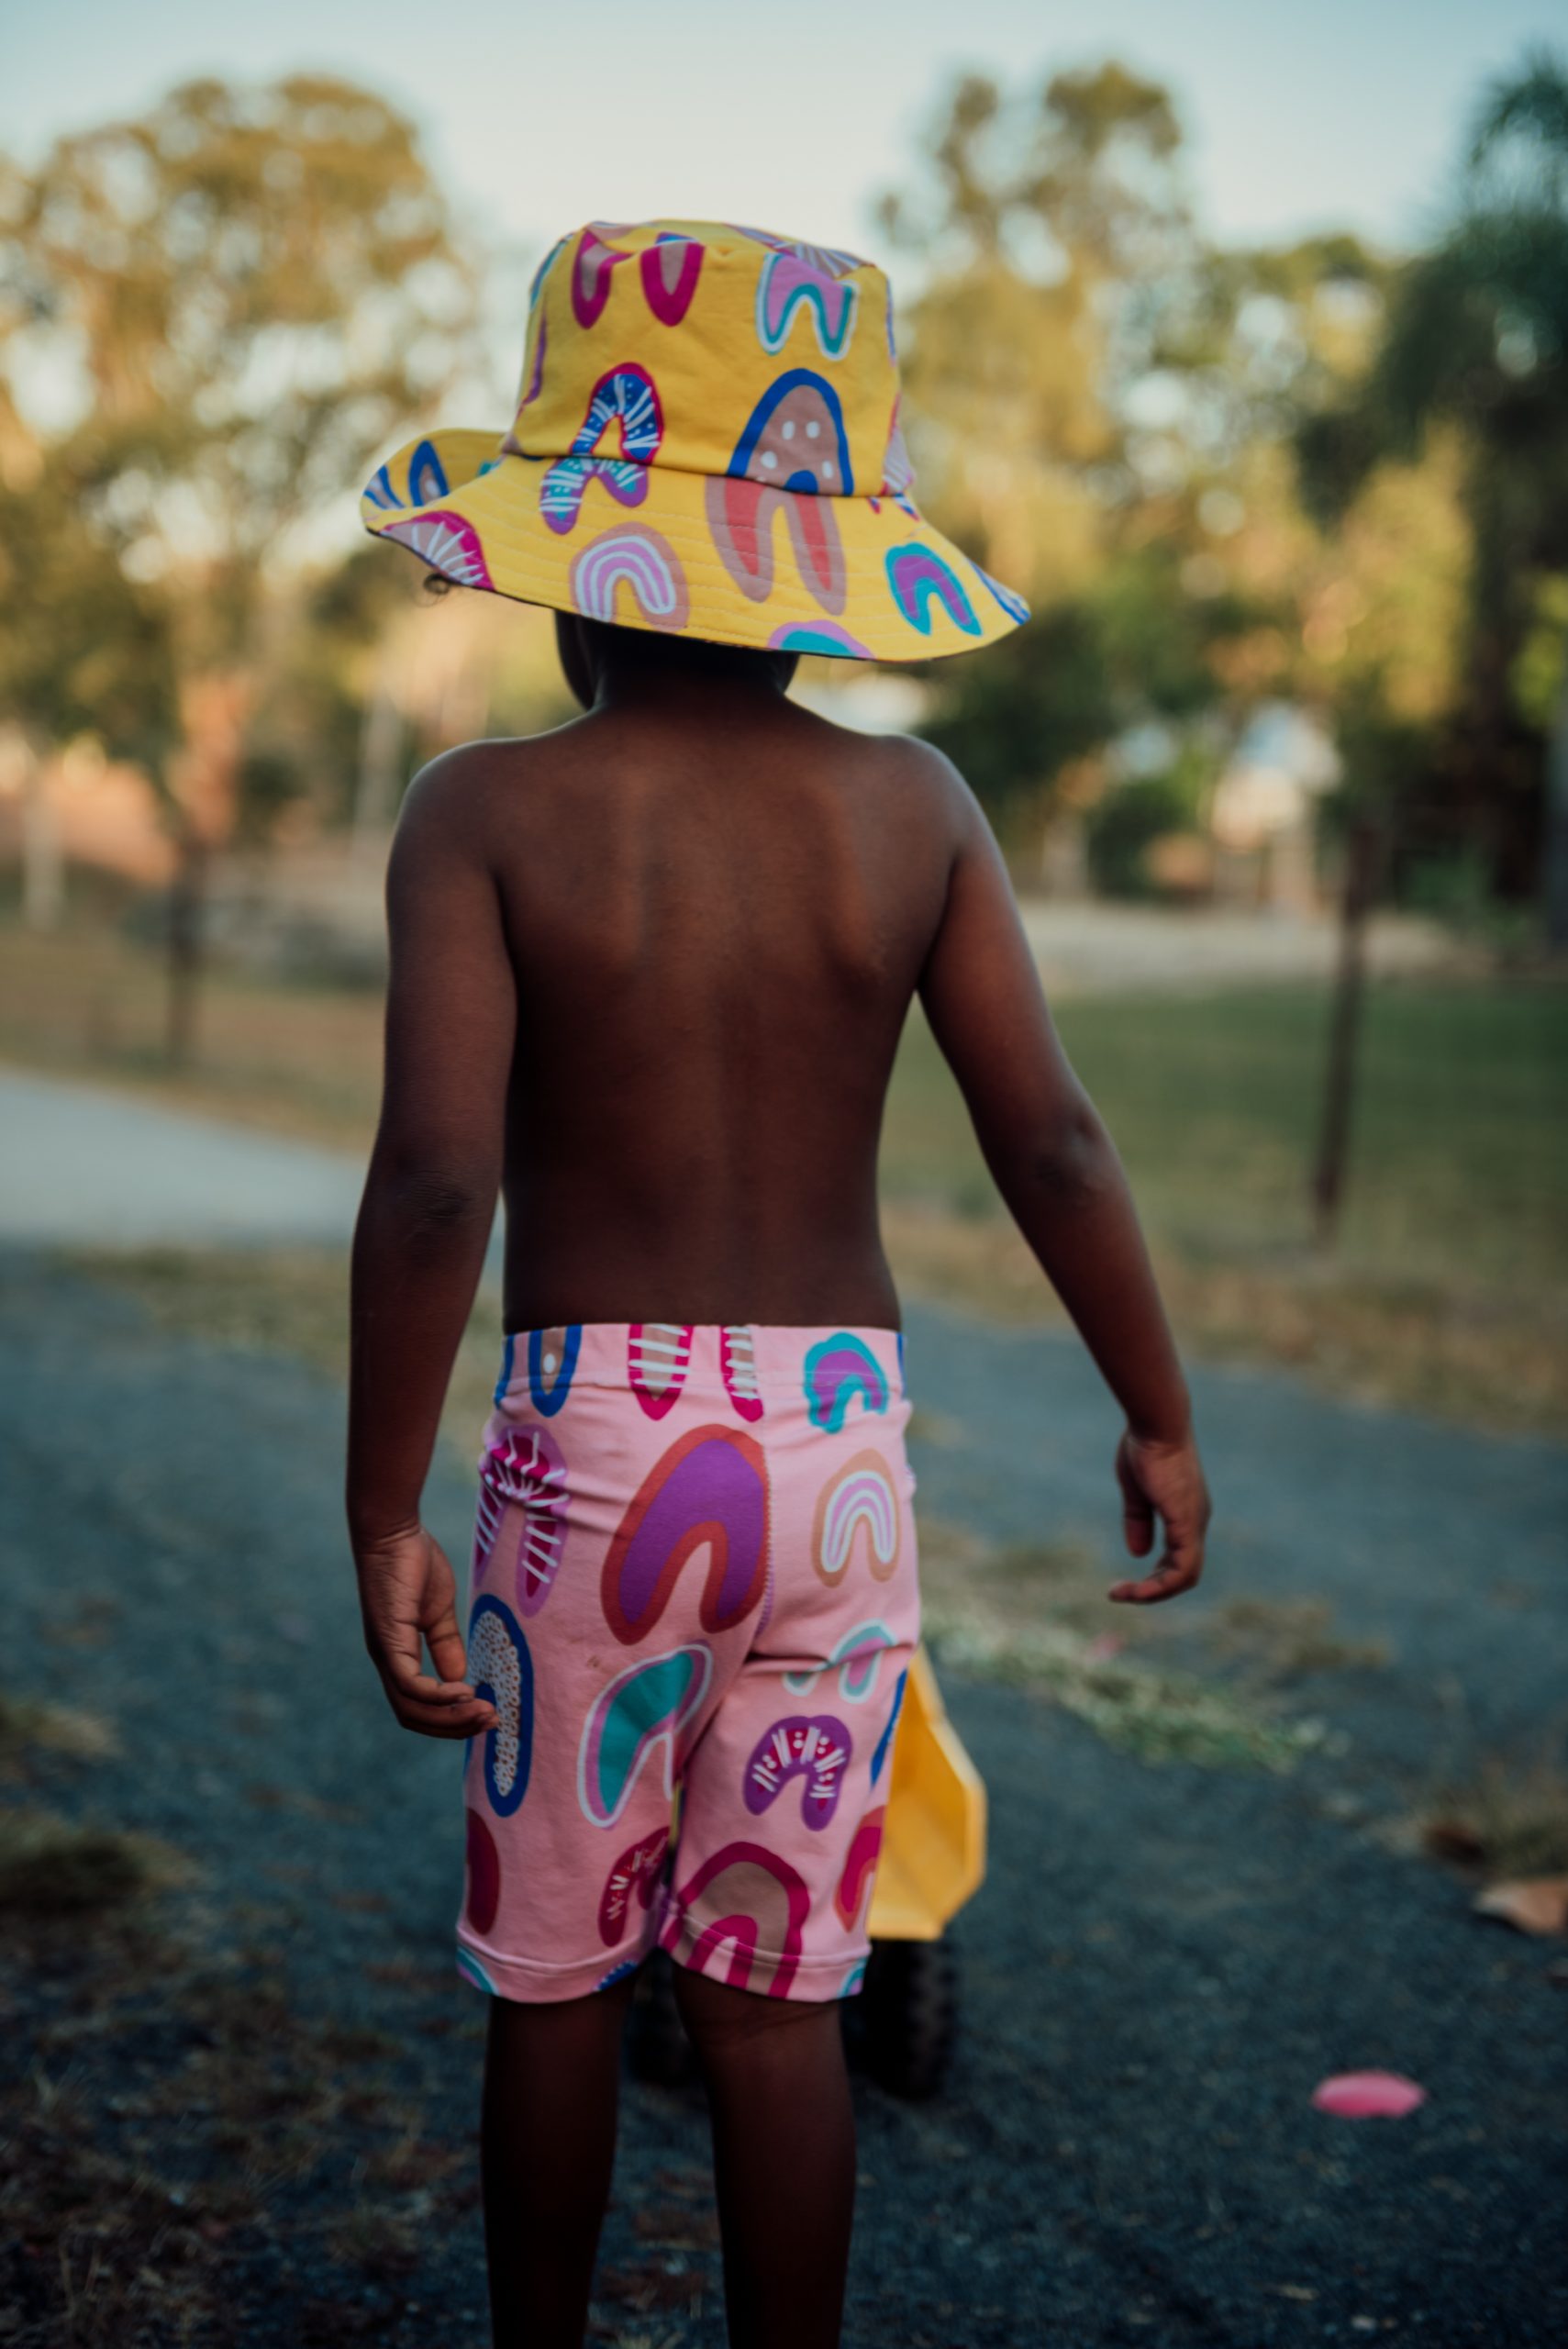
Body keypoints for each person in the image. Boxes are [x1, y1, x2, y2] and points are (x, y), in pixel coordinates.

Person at [346, 218, 1209, 2349]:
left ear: (573, 555)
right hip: (837, 1451)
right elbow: (1057, 1139)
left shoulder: (486, 816)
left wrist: (384, 1501)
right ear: (823, 572)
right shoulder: (912, 809)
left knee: (555, 1969)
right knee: (773, 1993)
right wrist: (1160, 1404)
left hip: (599, 1446)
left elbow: (440, 1174)